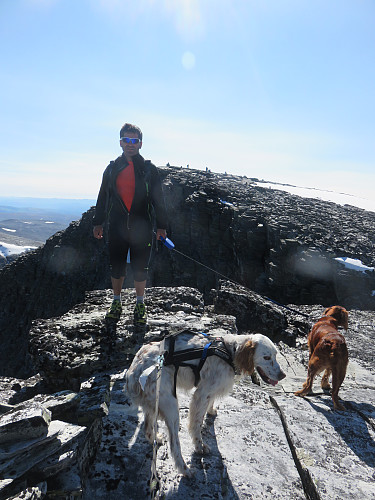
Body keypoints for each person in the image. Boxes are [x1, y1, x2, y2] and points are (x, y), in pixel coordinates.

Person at [92, 123, 168, 324]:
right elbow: (103, 197)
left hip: (142, 226)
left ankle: (140, 303)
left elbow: (158, 199)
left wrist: (162, 226)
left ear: (140, 144)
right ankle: (116, 302)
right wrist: (97, 222)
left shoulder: (149, 170)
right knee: (116, 265)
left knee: (140, 267)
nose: (130, 144)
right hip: (116, 225)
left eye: (134, 140)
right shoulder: (111, 169)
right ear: (120, 142)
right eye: (126, 140)